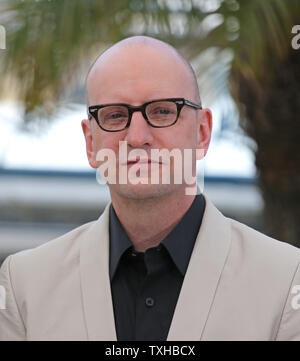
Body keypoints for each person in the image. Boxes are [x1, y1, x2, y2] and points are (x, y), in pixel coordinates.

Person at [0, 36, 300, 341]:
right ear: (91, 142)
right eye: (115, 115)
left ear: (202, 132)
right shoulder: (24, 285)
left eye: (162, 111)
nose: (138, 136)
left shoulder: (287, 282)